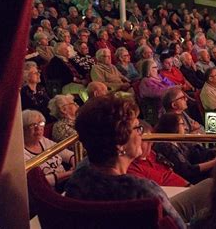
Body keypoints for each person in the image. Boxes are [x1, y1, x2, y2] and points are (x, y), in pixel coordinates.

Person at [64, 95, 185, 228]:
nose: (141, 135)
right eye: (137, 128)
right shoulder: (144, 192)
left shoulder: (78, 177)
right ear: (119, 144)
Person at [154, 113, 216, 184]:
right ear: (173, 126)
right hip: (189, 182)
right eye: (182, 124)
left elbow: (197, 152)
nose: (185, 127)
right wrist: (214, 162)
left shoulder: (178, 142)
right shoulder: (165, 146)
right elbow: (187, 171)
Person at [128, 120, 190, 187]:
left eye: (151, 139)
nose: (151, 143)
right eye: (146, 139)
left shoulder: (152, 154)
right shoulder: (132, 167)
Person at [23, 110, 75, 187]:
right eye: (32, 125)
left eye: (41, 124)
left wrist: (75, 165)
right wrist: (69, 174)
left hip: (68, 181)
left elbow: (68, 154)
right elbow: (39, 182)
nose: (38, 128)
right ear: (23, 129)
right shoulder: (22, 153)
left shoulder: (43, 140)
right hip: (52, 191)